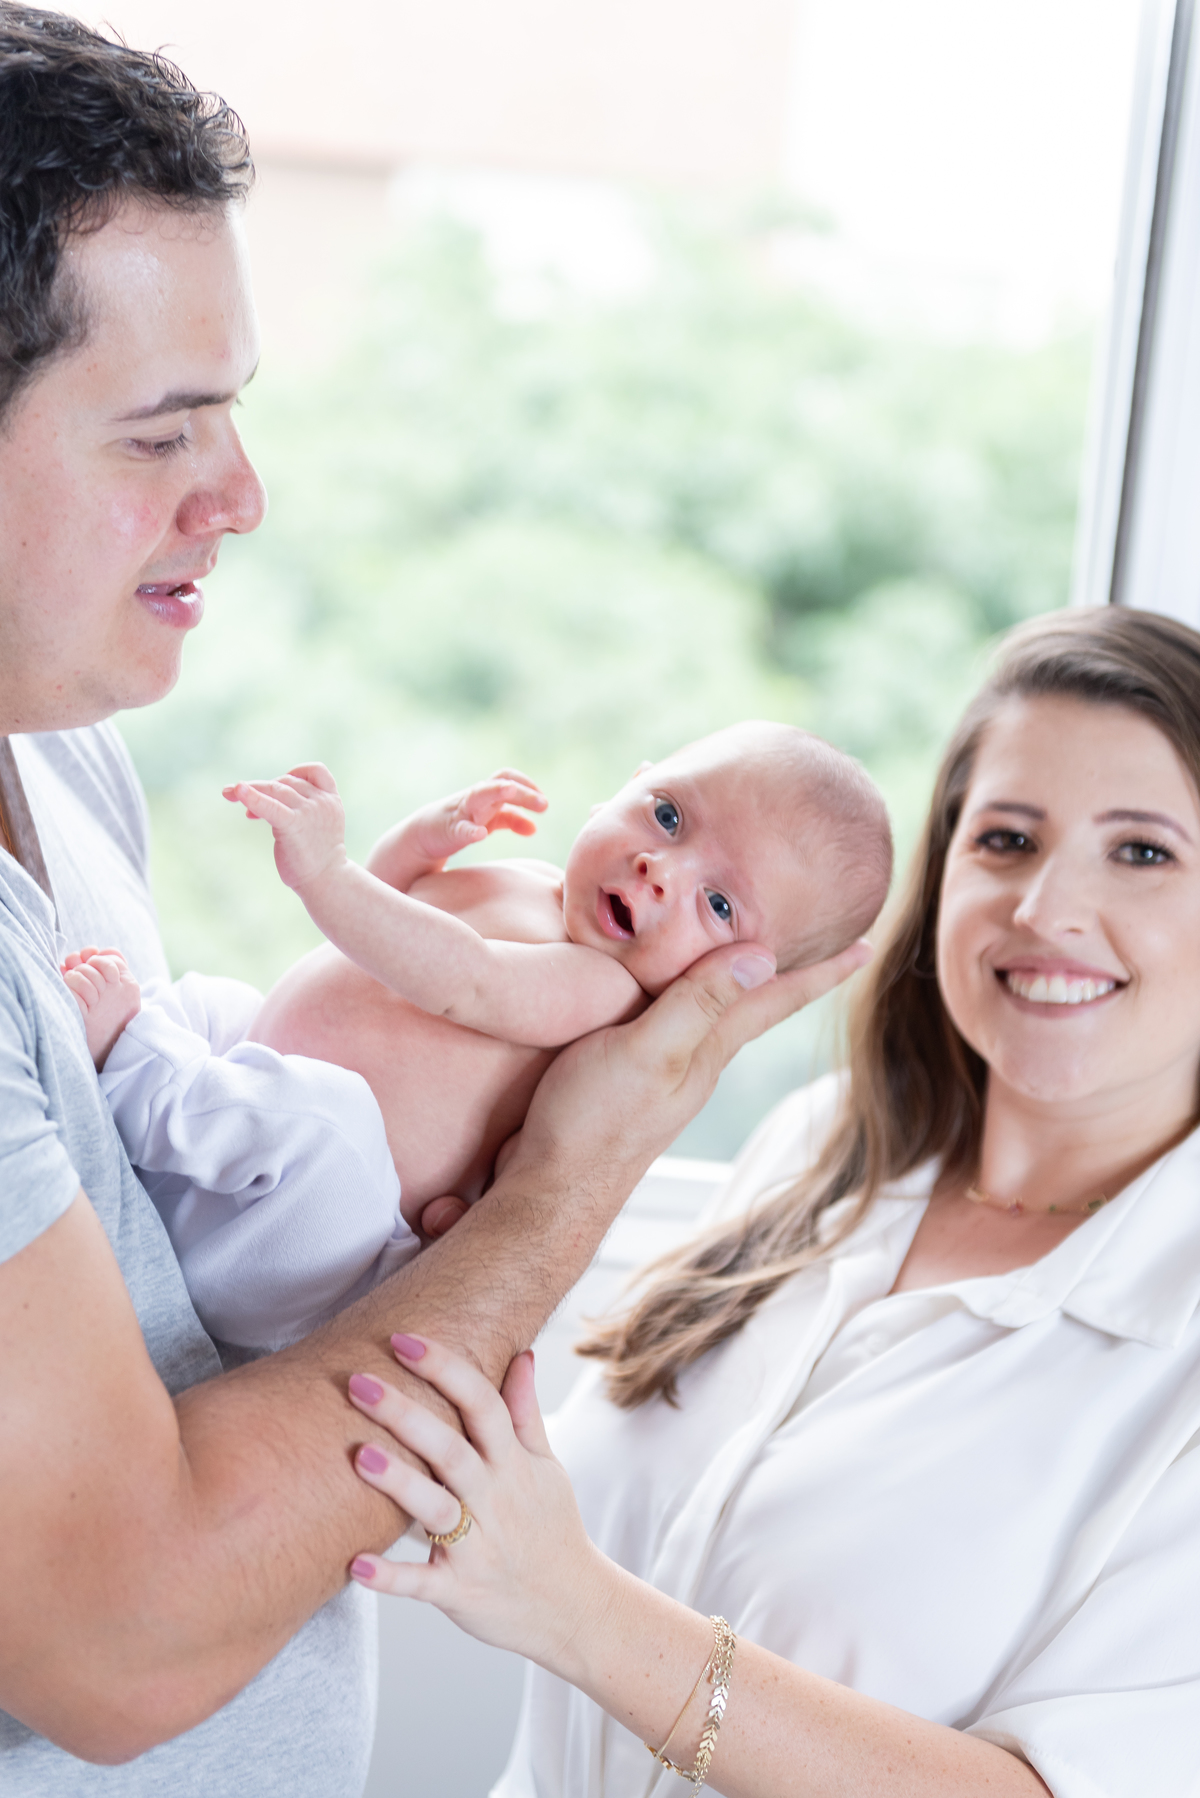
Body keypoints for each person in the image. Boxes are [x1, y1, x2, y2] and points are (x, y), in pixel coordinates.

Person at [0, 9, 868, 1793]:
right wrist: (565, 1182)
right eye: (162, 434)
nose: (242, 496)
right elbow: (117, 1641)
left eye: (236, 413)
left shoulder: (61, 749)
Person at [346, 607, 1200, 1798]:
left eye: (1144, 852)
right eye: (1006, 839)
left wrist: (579, 1611)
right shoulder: (814, 1152)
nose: (1045, 909)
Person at [60, 728, 890, 1351]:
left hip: (297, 1235)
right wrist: (420, 845)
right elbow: (383, 919)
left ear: (740, 973)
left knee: (331, 1123)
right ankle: (150, 1061)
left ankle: (140, 1072)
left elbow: (463, 978)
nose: (660, 870)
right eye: (668, 816)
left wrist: (326, 872)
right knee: (222, 1003)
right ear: (626, 786)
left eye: (718, 904)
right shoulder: (534, 885)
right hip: (255, 1118)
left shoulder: (602, 991)